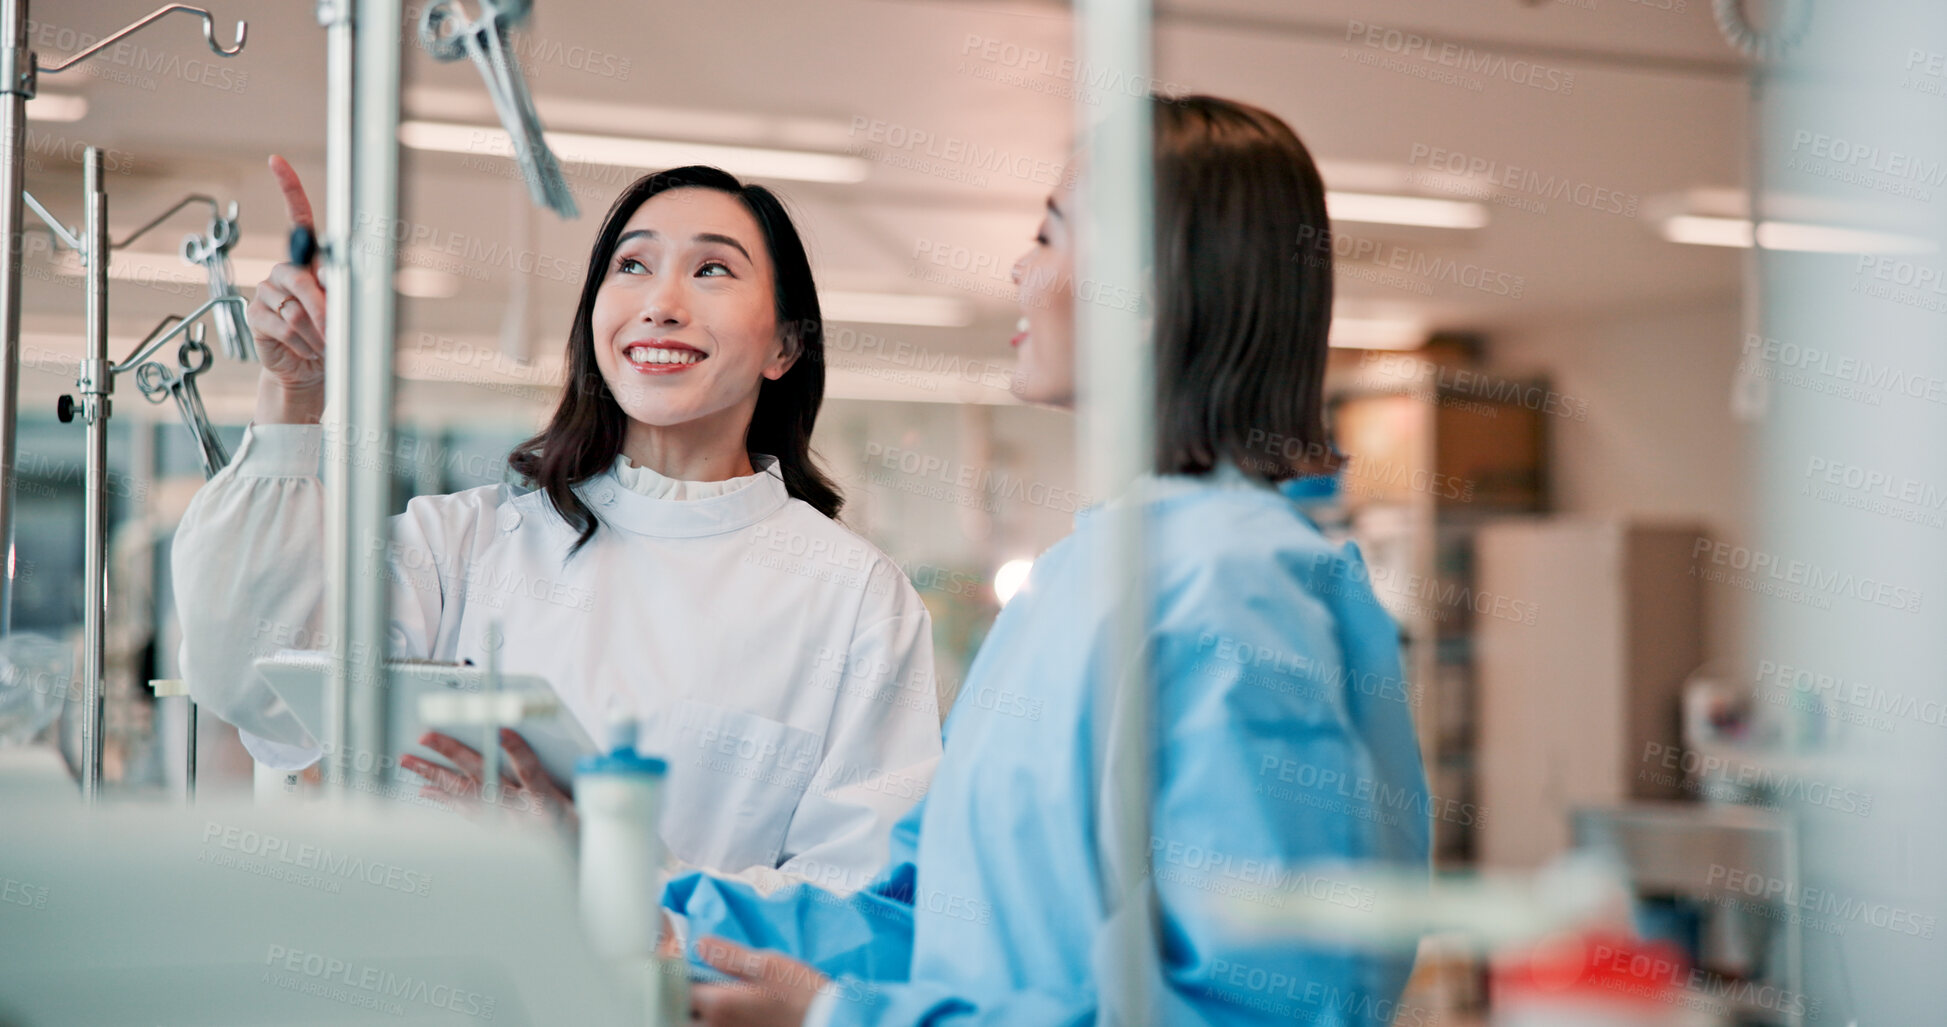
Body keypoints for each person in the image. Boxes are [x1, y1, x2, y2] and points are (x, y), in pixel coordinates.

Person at [662, 95, 1431, 1025]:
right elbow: (930, 912)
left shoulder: (1229, 587)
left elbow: (1254, 1008)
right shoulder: (1084, 575)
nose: (1021, 270)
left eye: (1049, 235)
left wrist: (842, 1019)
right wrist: (655, 901)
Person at [172, 160, 942, 890]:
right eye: (631, 266)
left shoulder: (855, 596)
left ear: (785, 345)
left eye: (712, 269)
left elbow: (852, 899)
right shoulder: (459, 544)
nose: (661, 302)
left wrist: (597, 863)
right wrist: (291, 398)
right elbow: (256, 679)